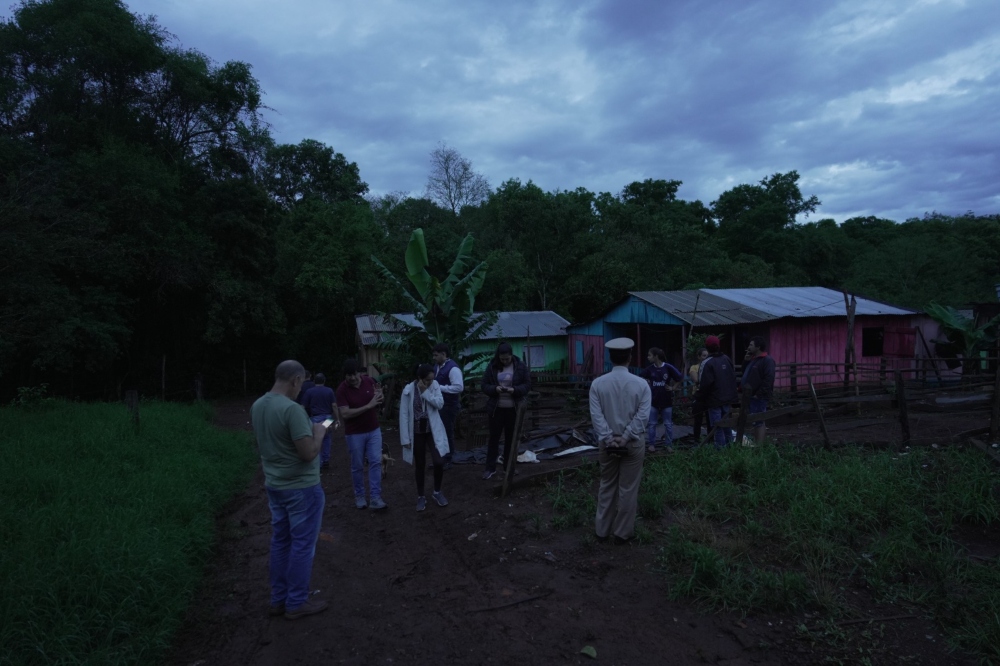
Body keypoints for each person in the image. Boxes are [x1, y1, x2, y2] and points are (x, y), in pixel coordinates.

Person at [250, 360, 333, 620]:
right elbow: (308, 453)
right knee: (302, 546)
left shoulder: (258, 405)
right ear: (296, 380)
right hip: (302, 489)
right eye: (300, 384)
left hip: (275, 485)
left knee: (281, 542)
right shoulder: (292, 410)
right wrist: (319, 432)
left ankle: (278, 599)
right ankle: (296, 602)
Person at [589, 338, 651, 544]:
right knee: (628, 488)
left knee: (606, 484)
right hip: (632, 444)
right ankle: (622, 534)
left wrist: (608, 438)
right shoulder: (641, 385)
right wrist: (625, 438)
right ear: (630, 357)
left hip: (607, 445)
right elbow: (643, 417)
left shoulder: (597, 384)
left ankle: (601, 531)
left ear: (610, 358)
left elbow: (596, 417)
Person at [335, 359, 386, 510]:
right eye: (348, 375)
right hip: (354, 434)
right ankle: (360, 496)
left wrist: (380, 398)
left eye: (353, 374)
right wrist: (368, 406)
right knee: (357, 466)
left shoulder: (369, 381)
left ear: (359, 373)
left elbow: (378, 399)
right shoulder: (342, 390)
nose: (351, 378)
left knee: (376, 462)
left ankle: (376, 497)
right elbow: (345, 413)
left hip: (373, 430)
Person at [399, 364, 450, 511]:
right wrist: (405, 439)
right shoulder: (408, 390)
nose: (430, 382)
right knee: (420, 464)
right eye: (427, 380)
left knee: (439, 461)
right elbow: (403, 415)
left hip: (432, 431)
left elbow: (440, 404)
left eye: (432, 379)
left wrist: (425, 391)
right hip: (416, 433)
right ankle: (421, 496)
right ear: (419, 378)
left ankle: (437, 492)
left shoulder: (434, 386)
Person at [480, 342, 531, 480]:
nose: (504, 361)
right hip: (496, 409)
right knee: (494, 439)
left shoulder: (520, 366)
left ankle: (508, 467)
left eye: (507, 359)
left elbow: (527, 385)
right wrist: (494, 389)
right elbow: (484, 385)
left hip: (513, 409)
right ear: (498, 357)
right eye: (502, 359)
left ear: (511, 355)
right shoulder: (492, 366)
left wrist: (514, 390)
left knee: (511, 439)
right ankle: (490, 468)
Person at [694, 335, 738, 449]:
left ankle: (720, 451)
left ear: (707, 347)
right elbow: (732, 378)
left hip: (714, 400)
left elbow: (704, 384)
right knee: (727, 424)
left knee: (717, 427)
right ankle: (731, 449)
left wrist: (699, 397)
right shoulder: (726, 359)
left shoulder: (707, 362)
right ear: (718, 346)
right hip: (727, 399)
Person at [639, 347, 683, 453]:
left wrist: (673, 388)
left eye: (649, 355)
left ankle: (669, 445)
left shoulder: (668, 367)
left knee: (668, 424)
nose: (648, 357)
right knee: (652, 424)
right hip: (653, 401)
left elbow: (679, 377)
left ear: (656, 356)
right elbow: (639, 378)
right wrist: (646, 383)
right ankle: (652, 445)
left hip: (666, 401)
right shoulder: (649, 369)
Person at [432, 343, 464, 468]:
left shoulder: (453, 369)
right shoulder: (437, 366)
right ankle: (441, 458)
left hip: (449, 405)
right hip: (439, 405)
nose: (434, 358)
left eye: (436, 355)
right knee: (439, 431)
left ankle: (449, 458)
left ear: (443, 355)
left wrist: (439, 388)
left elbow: (459, 387)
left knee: (447, 431)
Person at [741, 336, 776, 443]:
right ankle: (757, 443)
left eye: (751, 345)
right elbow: (745, 372)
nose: (749, 347)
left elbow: (768, 379)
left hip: (759, 396)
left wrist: (759, 394)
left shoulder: (767, 360)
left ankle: (759, 446)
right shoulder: (753, 359)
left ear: (758, 347)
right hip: (751, 395)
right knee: (755, 420)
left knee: (759, 420)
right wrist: (746, 361)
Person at [301, 372, 339, 469]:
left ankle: (319, 462)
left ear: (314, 381)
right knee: (327, 438)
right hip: (328, 418)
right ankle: (326, 460)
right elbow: (334, 405)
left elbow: (303, 406)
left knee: (316, 439)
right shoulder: (329, 391)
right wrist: (337, 418)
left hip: (315, 418)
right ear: (324, 381)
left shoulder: (309, 392)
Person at [688, 347, 710, 440]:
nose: (706, 358)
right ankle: (696, 440)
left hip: (709, 396)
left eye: (707, 356)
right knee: (698, 420)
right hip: (698, 395)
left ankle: (710, 439)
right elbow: (696, 380)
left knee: (710, 419)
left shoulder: (710, 366)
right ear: (699, 357)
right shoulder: (694, 367)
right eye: (704, 355)